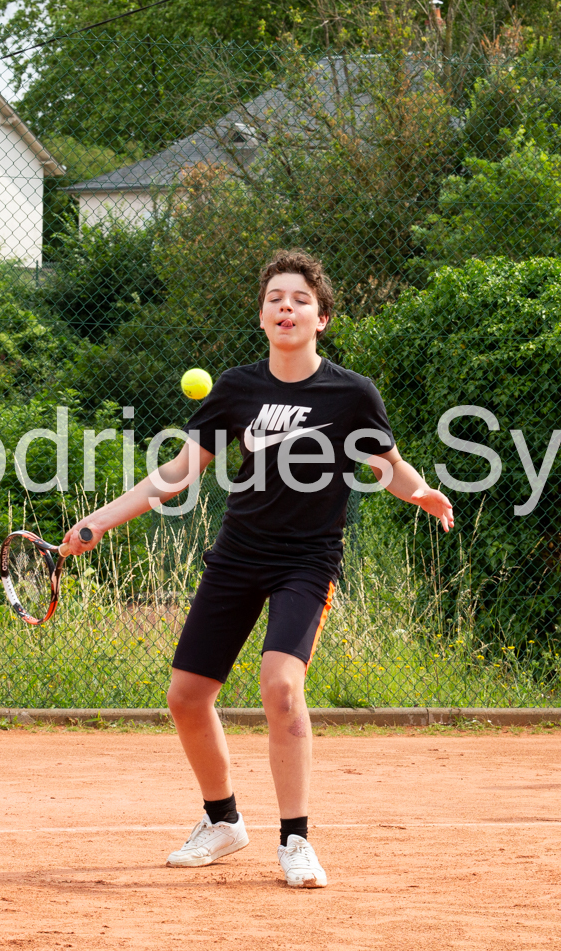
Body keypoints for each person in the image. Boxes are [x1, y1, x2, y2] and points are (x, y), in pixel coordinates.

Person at [63, 249, 454, 888]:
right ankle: (223, 822)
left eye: (300, 299)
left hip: (307, 560)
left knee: (281, 686)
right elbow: (178, 472)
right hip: (239, 555)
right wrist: (101, 520)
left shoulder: (352, 393)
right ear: (263, 315)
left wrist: (422, 492)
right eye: (275, 298)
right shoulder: (237, 389)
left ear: (321, 318)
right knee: (186, 697)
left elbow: (386, 465)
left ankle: (295, 839)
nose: (286, 307)